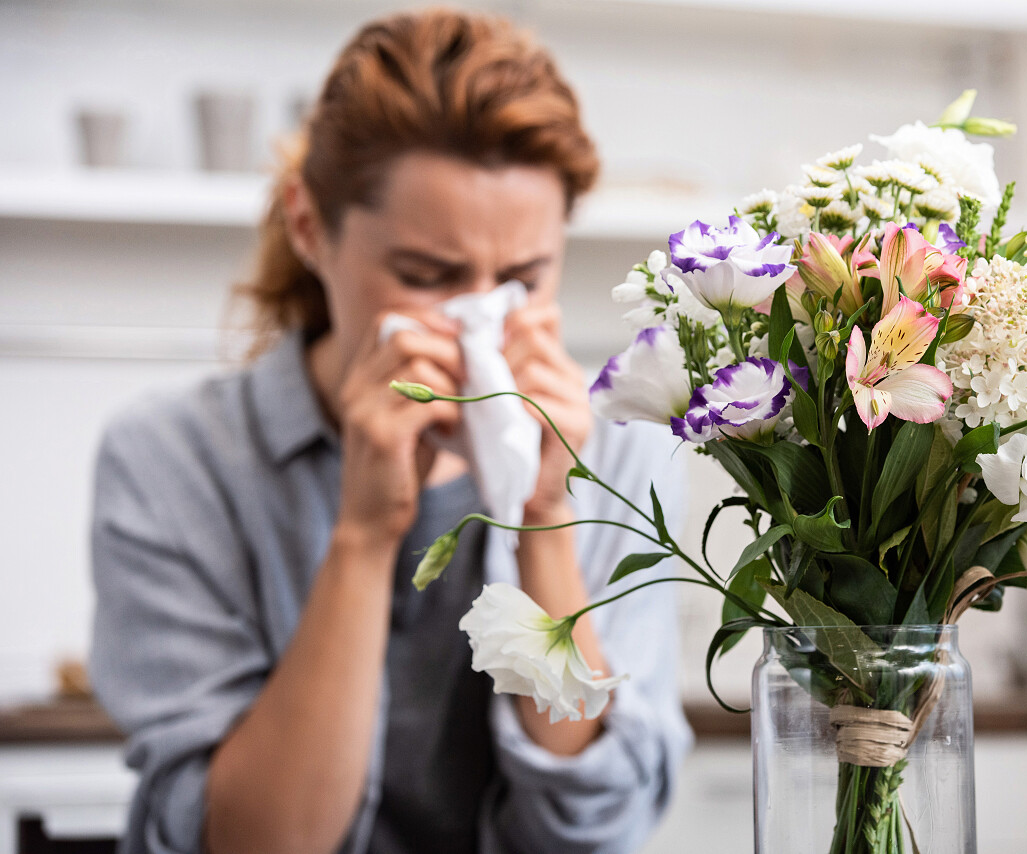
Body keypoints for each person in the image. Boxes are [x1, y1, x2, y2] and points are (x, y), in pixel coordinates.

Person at [87, 9, 691, 854]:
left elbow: (592, 823)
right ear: (309, 227)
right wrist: (364, 535)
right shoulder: (172, 462)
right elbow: (254, 842)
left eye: (522, 278)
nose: (479, 316)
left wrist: (547, 517)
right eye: (425, 276)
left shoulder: (620, 446)